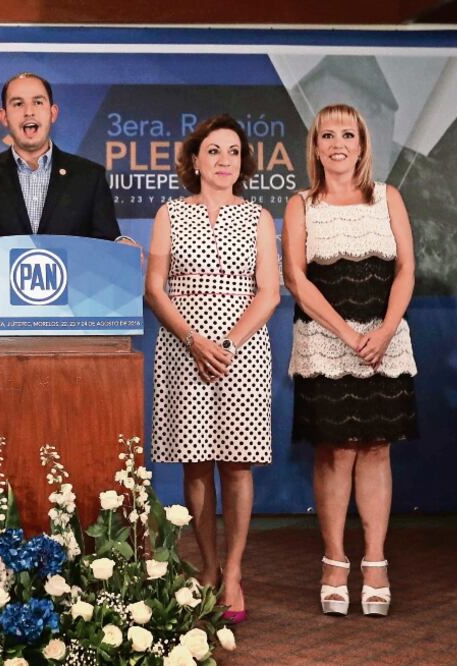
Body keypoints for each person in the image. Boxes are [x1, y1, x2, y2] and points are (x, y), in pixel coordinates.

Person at [282, 103, 418, 617]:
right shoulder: (302, 203)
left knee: (378, 448)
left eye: (347, 134)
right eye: (326, 135)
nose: (337, 143)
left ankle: (376, 563)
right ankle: (335, 561)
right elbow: (296, 278)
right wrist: (345, 334)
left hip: (387, 342)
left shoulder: (389, 198)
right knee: (337, 450)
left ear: (362, 145)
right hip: (324, 343)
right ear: (315, 147)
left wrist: (383, 331)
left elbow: (406, 270)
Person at [147, 115, 280, 624]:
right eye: (214, 151)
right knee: (196, 463)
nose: (225, 160)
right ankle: (206, 567)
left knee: (237, 464)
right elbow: (155, 287)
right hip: (184, 348)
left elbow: (268, 292)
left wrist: (226, 342)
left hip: (241, 352)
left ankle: (235, 572)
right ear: (195, 160)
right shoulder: (170, 213)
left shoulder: (259, 218)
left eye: (233, 152)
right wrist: (193, 339)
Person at [0, 72, 130, 276]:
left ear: (53, 112)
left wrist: (122, 246)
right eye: (18, 104)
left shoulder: (89, 176)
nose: (29, 112)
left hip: (73, 303)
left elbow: (108, 248)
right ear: (4, 116)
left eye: (38, 102)